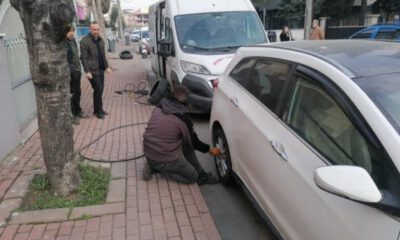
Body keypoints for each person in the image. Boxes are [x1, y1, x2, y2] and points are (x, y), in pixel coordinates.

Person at [142, 86, 221, 185]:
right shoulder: (183, 119)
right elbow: (194, 142)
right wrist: (209, 150)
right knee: (192, 176)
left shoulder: (161, 105)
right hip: (163, 158)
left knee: (186, 141)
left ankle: (152, 164)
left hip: (148, 150)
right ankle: (163, 171)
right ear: (186, 102)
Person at [80, 22, 112, 119]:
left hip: (101, 69)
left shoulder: (100, 40)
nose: (96, 31)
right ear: (90, 29)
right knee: (98, 89)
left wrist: (107, 67)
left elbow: (103, 55)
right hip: (92, 71)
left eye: (97, 29)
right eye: (94, 29)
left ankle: (98, 109)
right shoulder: (84, 41)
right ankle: (98, 112)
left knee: (99, 90)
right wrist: (87, 71)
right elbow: (83, 57)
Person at [65, 25, 85, 125]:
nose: (72, 33)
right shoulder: (64, 43)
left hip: (77, 71)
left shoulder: (72, 41)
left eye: (73, 31)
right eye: (69, 31)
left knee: (78, 91)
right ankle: (72, 115)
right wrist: (71, 69)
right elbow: (66, 60)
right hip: (71, 72)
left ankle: (78, 110)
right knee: (72, 93)